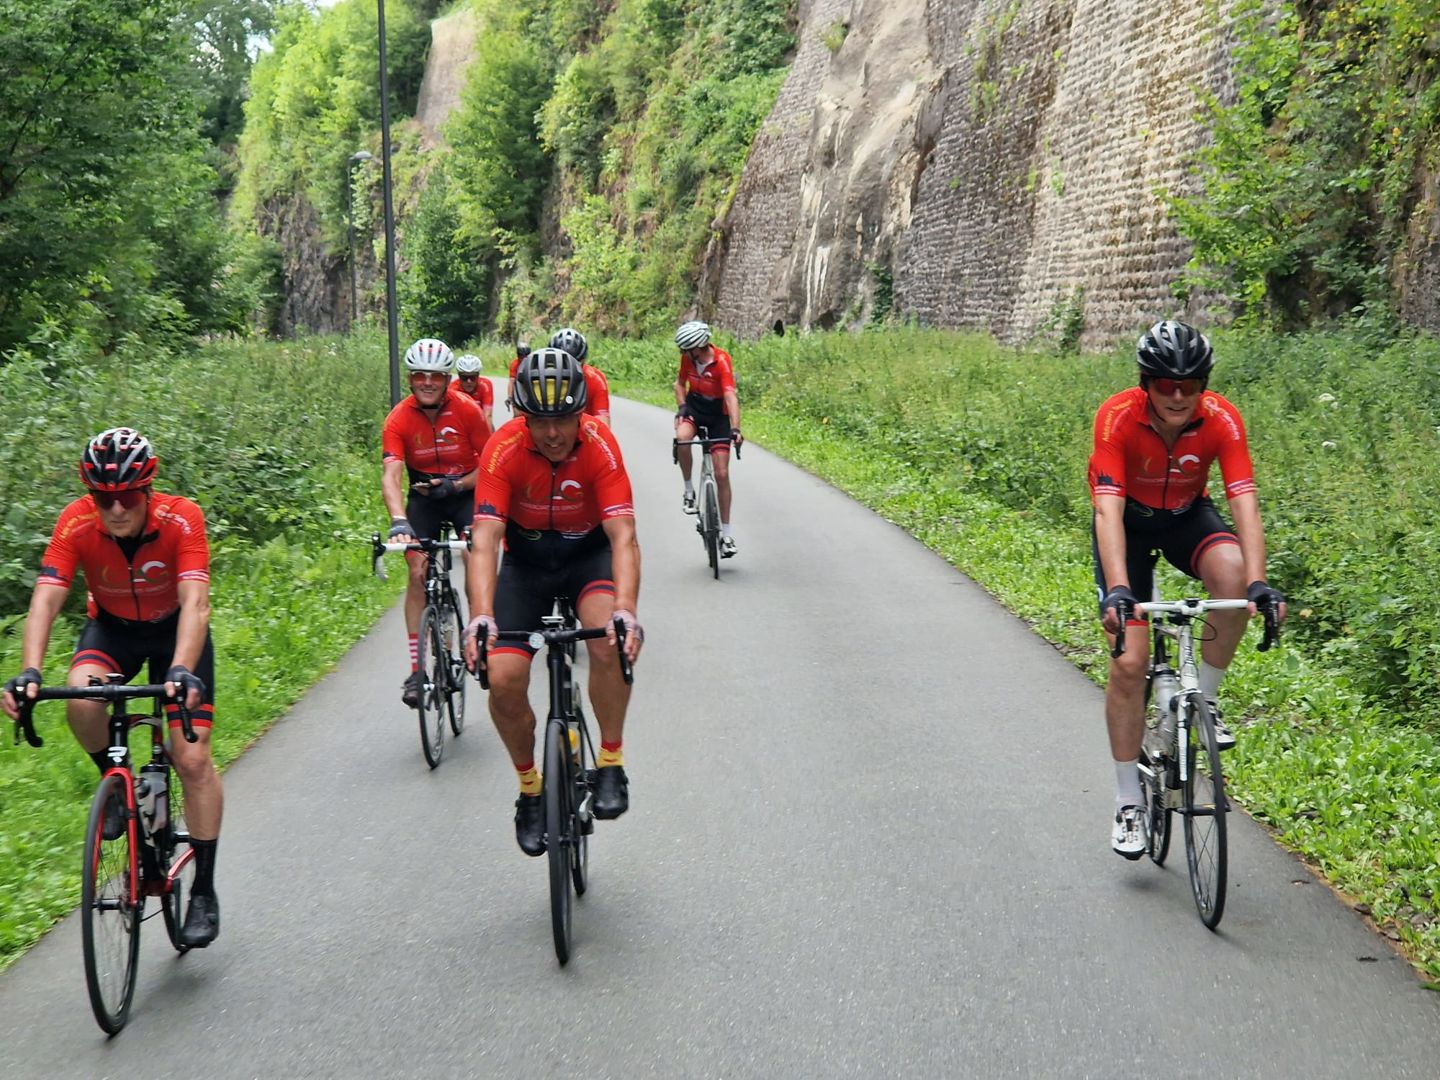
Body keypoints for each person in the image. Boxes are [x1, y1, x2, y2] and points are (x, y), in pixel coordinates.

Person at [2, 428, 224, 946]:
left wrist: (182, 669)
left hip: (176, 635)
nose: (116, 509)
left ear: (147, 491)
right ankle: (116, 788)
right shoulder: (76, 523)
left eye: (126, 497)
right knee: (81, 698)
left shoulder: (181, 517)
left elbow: (197, 602)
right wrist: (31, 671)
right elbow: (46, 599)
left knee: (190, 759)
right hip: (113, 632)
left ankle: (205, 892)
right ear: (91, 496)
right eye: (104, 498)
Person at [1089, 320, 1286, 859]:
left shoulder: (1221, 418)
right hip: (1126, 524)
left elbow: (1244, 500)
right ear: (1145, 382)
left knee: (1232, 576)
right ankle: (1129, 800)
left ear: (1204, 385)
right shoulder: (1116, 417)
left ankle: (1208, 700)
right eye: (1165, 384)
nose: (1177, 396)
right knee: (1129, 664)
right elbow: (1106, 507)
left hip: (1184, 517)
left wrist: (1259, 582)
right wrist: (1119, 589)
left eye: (1190, 384)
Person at [463, 347, 644, 856]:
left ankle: (610, 762)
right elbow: (484, 537)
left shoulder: (600, 446)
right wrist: (479, 615)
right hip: (527, 565)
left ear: (580, 413)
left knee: (608, 639)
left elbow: (624, 535)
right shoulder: (502, 449)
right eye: (539, 420)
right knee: (501, 676)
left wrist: (626, 609)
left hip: (589, 556)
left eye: (563, 418)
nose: (552, 432)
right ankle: (530, 791)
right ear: (523, 416)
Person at [382, 338, 492, 708]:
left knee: (476, 553)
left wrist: (458, 485)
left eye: (435, 376)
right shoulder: (398, 418)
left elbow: (491, 465)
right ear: (411, 379)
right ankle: (418, 670)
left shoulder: (468, 410)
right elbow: (391, 474)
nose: (427, 382)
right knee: (416, 570)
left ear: (448, 380)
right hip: (424, 498)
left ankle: (479, 630)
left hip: (463, 493)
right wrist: (399, 521)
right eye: (419, 375)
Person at [672, 320, 741, 557]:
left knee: (722, 474)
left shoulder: (721, 361)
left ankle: (727, 535)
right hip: (695, 409)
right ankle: (689, 491)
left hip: (718, 416)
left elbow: (730, 395)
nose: (684, 354)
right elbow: (679, 384)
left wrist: (735, 427)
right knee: (682, 439)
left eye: (686, 349)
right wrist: (682, 407)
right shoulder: (688, 359)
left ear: (698, 347)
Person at [548, 327, 612, 427]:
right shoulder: (541, 379)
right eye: (563, 365)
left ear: (583, 361)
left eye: (575, 366)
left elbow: (603, 425)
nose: (569, 372)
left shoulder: (595, 380)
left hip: (585, 430)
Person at [453, 353, 494, 428]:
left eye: (473, 377)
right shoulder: (452, 389)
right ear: (459, 376)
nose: (469, 381)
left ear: (478, 375)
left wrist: (489, 439)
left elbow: (487, 416)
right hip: (461, 424)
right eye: (464, 377)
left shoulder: (485, 385)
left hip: (481, 422)